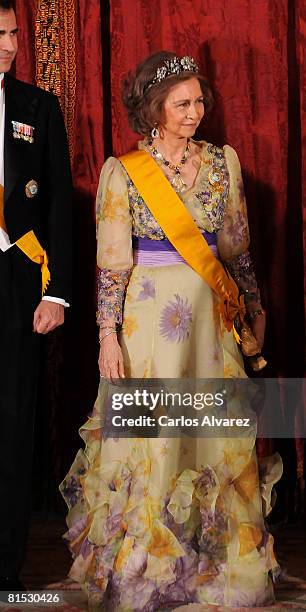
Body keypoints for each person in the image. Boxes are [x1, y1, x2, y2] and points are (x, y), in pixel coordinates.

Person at [61, 51, 281, 610]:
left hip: (211, 320)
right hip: (150, 324)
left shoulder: (222, 163)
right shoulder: (123, 172)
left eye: (199, 101)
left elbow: (237, 250)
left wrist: (254, 307)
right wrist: (106, 335)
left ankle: (215, 564)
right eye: (182, 104)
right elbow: (112, 265)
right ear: (153, 109)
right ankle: (147, 569)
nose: (195, 112)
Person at [0, 0, 72, 591]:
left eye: (13, 34)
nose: (8, 46)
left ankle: (5, 565)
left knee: (12, 419)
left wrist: (59, 295)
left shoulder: (37, 107)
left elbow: (56, 206)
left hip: (17, 279)